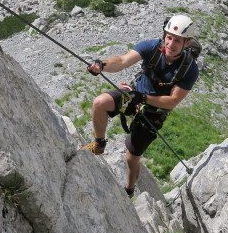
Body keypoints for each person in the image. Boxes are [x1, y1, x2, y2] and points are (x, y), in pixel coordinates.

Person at [80, 14, 199, 198]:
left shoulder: (189, 69)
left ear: (187, 44)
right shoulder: (151, 47)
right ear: (164, 35)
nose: (171, 44)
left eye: (177, 40)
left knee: (132, 156)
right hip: (136, 93)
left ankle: (129, 190)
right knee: (100, 103)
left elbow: (173, 101)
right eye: (169, 37)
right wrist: (102, 65)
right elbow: (122, 61)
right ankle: (98, 143)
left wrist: (143, 98)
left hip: (154, 109)